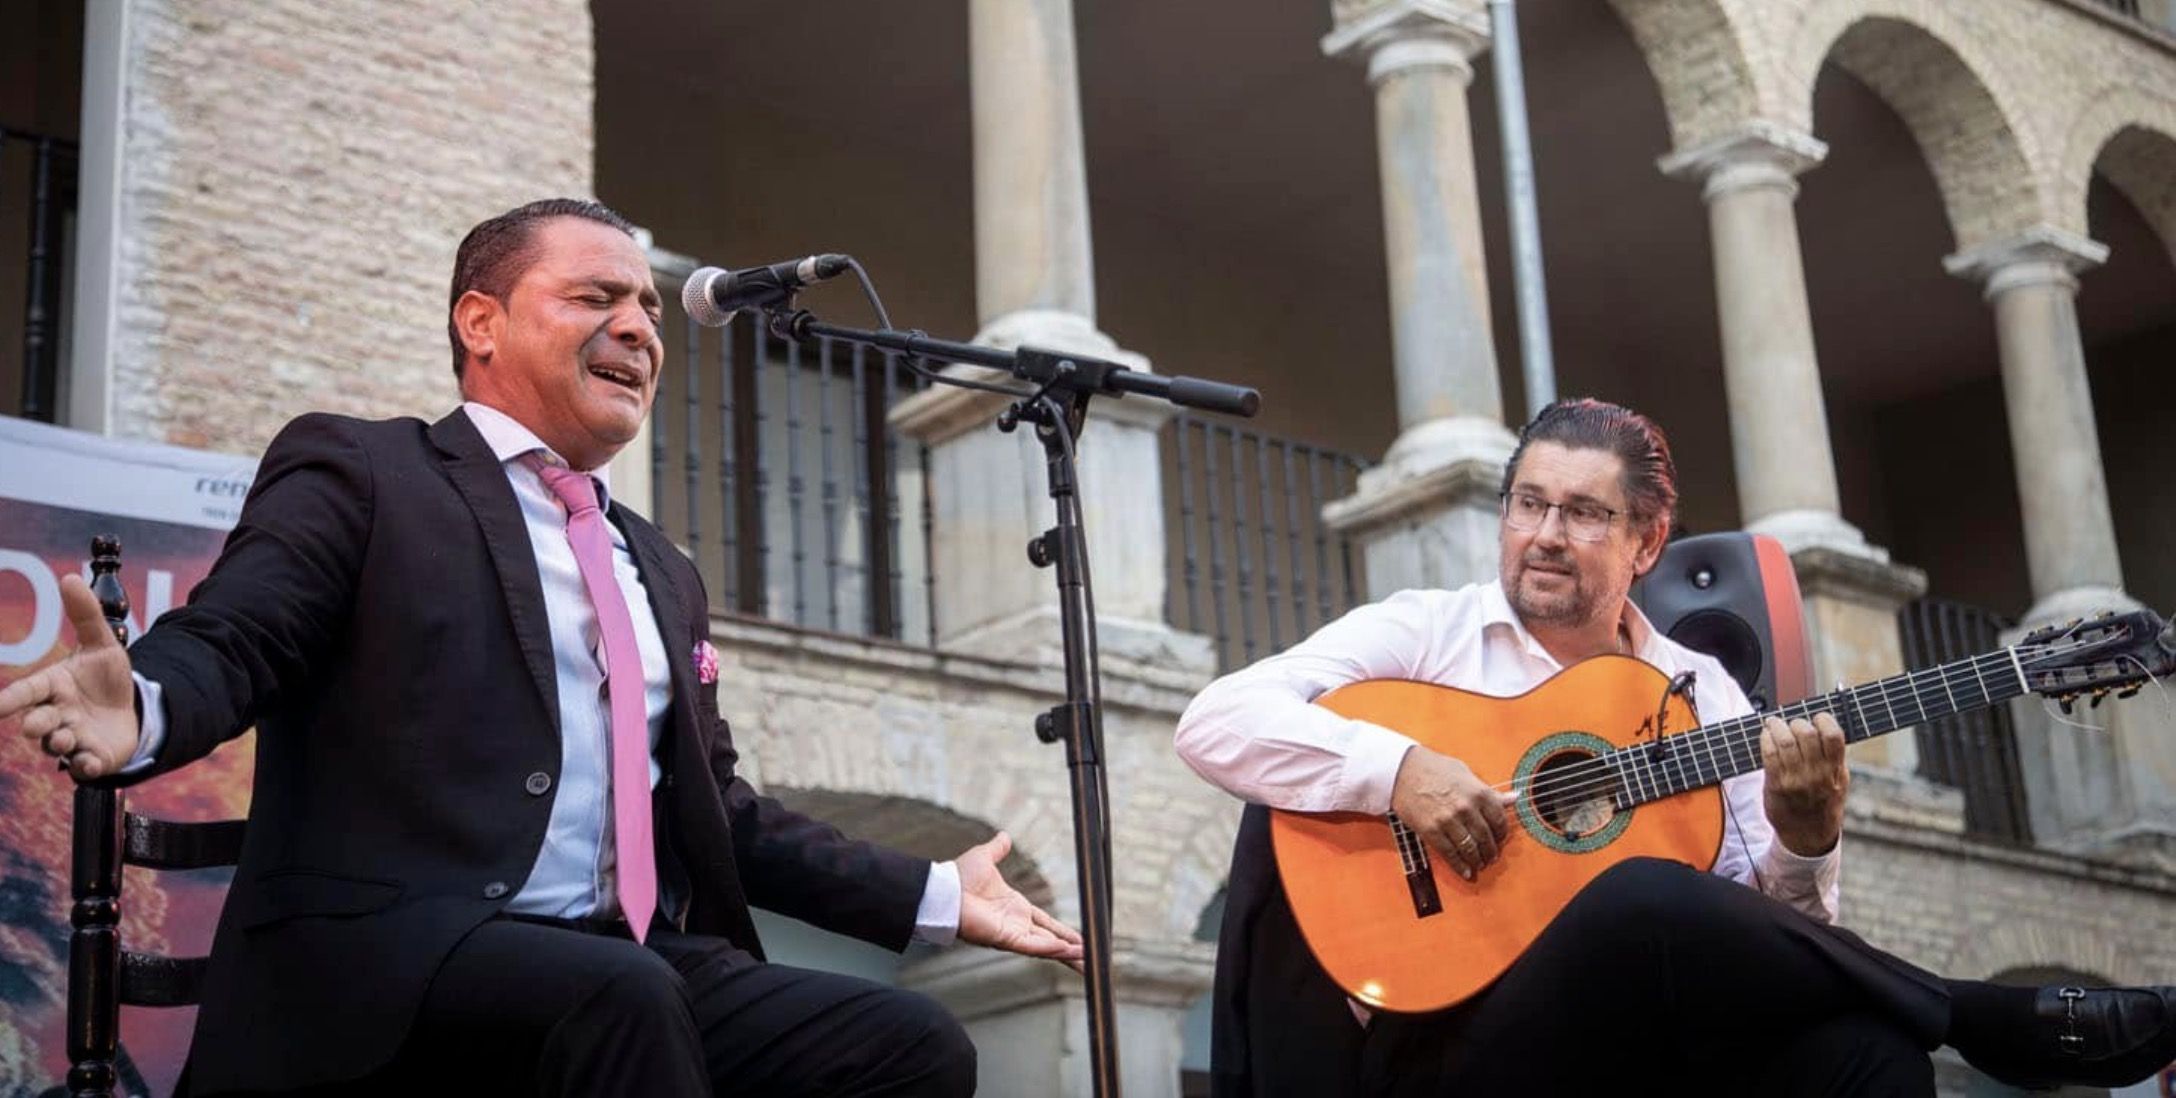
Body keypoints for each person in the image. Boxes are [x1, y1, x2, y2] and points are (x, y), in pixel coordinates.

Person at [1, 198, 1080, 1097]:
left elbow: (720, 810)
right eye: (595, 298)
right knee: (625, 997)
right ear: (482, 322)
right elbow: (241, 635)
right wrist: (145, 704)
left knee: (906, 1046)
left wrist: (932, 895)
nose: (639, 328)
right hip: (386, 965)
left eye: (649, 308)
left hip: (617, 967)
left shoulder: (659, 565)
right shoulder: (367, 472)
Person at [1175, 398, 2176, 1096]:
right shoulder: (1427, 630)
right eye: (1528, 503)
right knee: (1641, 893)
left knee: (1869, 1051)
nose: (1545, 534)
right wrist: (1399, 770)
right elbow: (1213, 721)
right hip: (1436, 1045)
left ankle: (1947, 1023)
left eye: (1583, 513)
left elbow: (1762, 941)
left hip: (1630, 1053)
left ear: (1646, 545)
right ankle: (1982, 1016)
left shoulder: (1703, 695)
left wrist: (1807, 839)